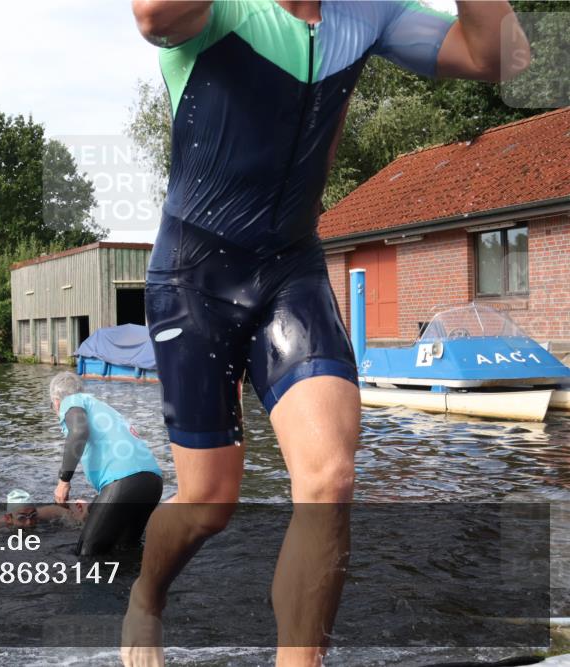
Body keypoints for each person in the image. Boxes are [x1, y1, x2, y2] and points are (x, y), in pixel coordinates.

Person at [123, 2, 530, 665]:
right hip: (196, 274)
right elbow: (152, 15)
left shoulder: (367, 13)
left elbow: (498, 57)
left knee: (330, 478)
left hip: (291, 269)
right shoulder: (224, 10)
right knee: (209, 500)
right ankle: (146, 595)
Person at [49, 372, 163, 556]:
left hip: (126, 481)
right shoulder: (100, 407)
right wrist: (94, 508)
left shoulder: (70, 401)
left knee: (88, 555)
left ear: (55, 401)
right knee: (126, 551)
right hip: (152, 482)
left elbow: (78, 432)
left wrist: (64, 481)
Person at [0, 489, 89, 530]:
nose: (30, 522)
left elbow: (66, 512)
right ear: (9, 518)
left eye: (33, 515)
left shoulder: (41, 513)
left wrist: (82, 514)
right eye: (22, 518)